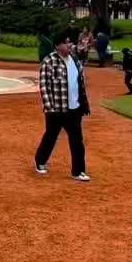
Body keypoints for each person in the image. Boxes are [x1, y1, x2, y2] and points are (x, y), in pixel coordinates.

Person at [35, 33, 90, 181]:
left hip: (74, 108)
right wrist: (48, 107)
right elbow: (44, 85)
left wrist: (83, 104)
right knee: (51, 136)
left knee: (77, 140)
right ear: (57, 46)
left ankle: (78, 171)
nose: (69, 45)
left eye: (70, 42)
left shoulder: (75, 60)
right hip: (56, 108)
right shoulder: (49, 62)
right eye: (66, 43)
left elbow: (80, 83)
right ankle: (40, 161)